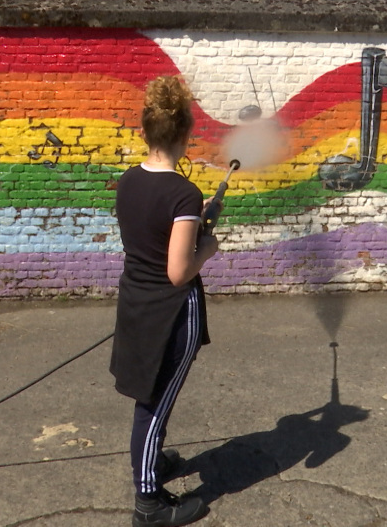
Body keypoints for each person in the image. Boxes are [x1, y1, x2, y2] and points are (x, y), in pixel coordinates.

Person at [111, 75, 218, 527]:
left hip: (135, 303)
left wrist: (197, 221)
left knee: (150, 398)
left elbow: (151, 237)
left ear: (145, 132)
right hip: (172, 314)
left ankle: (151, 464)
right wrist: (208, 247)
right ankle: (149, 504)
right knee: (154, 406)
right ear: (184, 134)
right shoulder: (183, 193)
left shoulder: (128, 180)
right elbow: (178, 271)